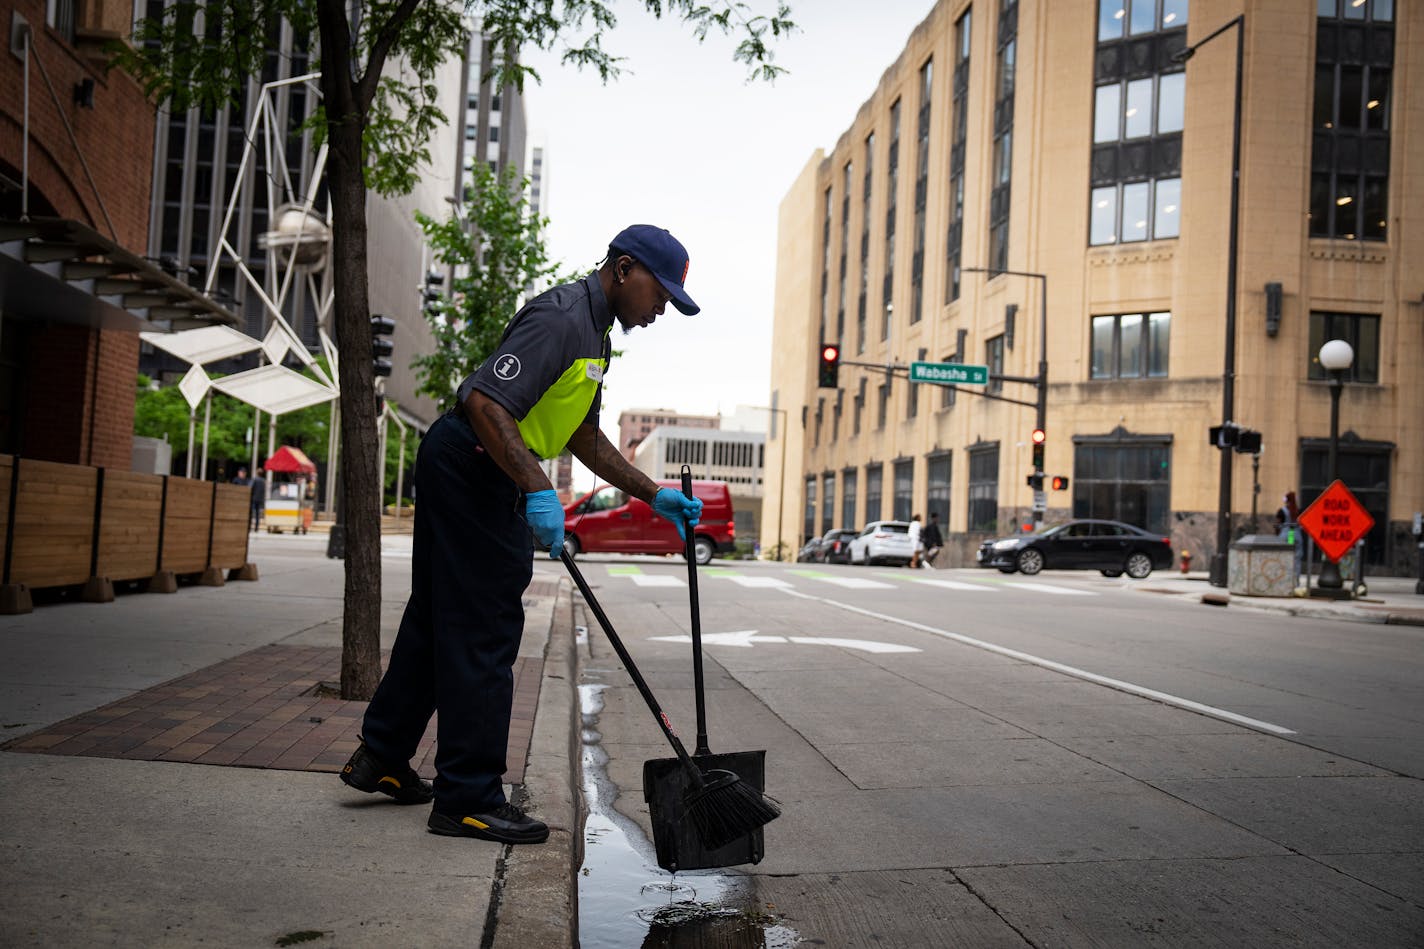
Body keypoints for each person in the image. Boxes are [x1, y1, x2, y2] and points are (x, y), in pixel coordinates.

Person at [341, 225, 705, 846]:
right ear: (623, 269)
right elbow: (486, 402)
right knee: (484, 633)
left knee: (437, 620)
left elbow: (581, 434)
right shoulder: (563, 318)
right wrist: (538, 488)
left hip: (479, 469)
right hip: (472, 469)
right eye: (659, 293)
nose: (660, 308)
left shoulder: (595, 336)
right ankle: (468, 799)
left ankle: (381, 757)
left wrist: (653, 493)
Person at [249, 467, 266, 532]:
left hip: (254, 499)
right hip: (260, 499)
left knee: (251, 513)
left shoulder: (255, 479)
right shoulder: (263, 481)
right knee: (257, 515)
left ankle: (250, 527)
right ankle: (256, 528)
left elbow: (250, 487)